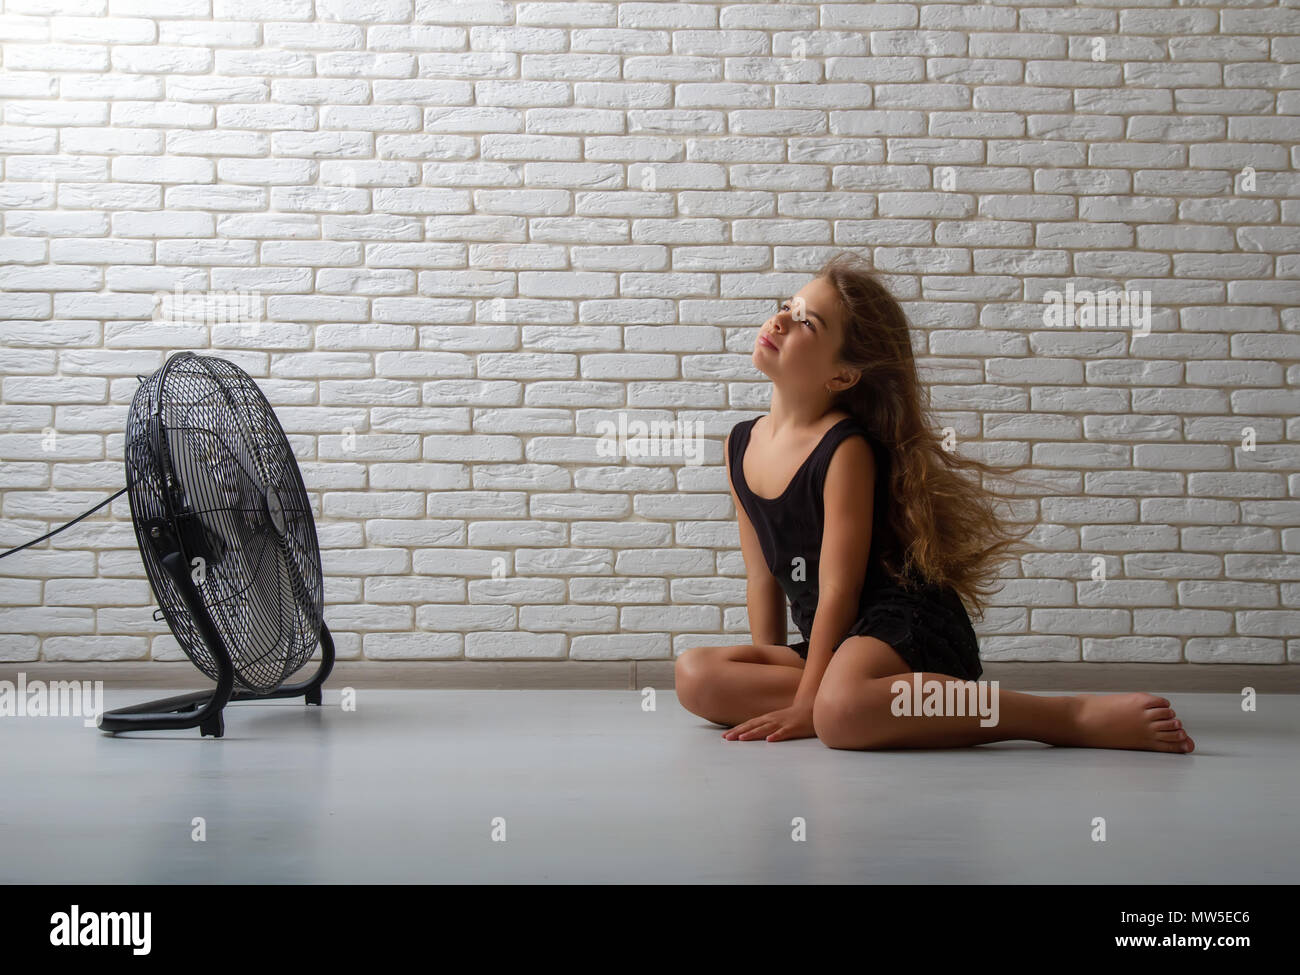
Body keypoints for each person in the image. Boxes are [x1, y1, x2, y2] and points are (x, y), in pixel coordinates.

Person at [675, 251, 1195, 753]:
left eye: (808, 323)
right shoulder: (739, 443)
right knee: (694, 676)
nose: (782, 320)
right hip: (830, 648)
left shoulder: (845, 448)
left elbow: (839, 589)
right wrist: (773, 670)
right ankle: (855, 702)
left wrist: (808, 702)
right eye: (788, 306)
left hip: (897, 626)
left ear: (842, 375)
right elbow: (762, 576)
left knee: (836, 715)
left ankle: (1067, 717)